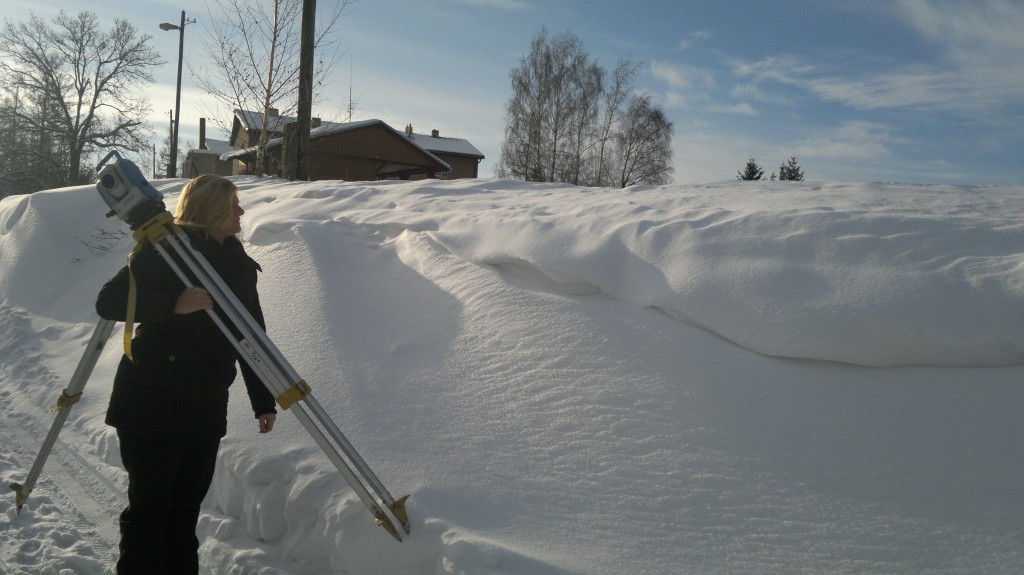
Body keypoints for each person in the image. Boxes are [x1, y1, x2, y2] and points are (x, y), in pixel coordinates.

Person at [95, 174, 278, 575]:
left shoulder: (238, 263)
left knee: (184, 513)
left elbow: (252, 334)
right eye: (233, 206)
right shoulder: (164, 250)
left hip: (205, 406)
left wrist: (264, 399)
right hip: (150, 401)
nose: (241, 212)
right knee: (150, 510)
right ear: (210, 209)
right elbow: (108, 302)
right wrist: (171, 305)